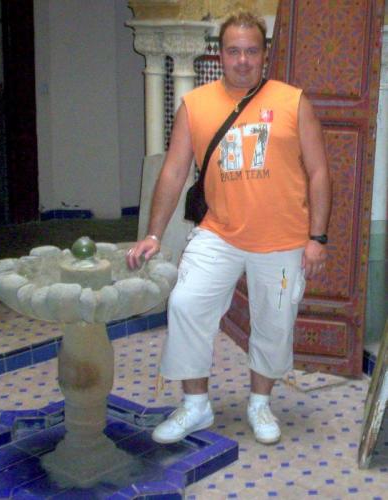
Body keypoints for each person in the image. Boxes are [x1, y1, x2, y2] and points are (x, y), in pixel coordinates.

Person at [126, 10, 331, 445]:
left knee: (274, 323)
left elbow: (318, 172)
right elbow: (173, 172)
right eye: (233, 51)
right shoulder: (195, 105)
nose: (242, 60)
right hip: (218, 233)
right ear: (219, 54)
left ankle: (260, 403)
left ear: (264, 54)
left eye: (251, 51)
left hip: (282, 239)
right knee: (185, 304)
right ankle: (195, 405)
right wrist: (153, 235)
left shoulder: (293, 102)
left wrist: (317, 237)